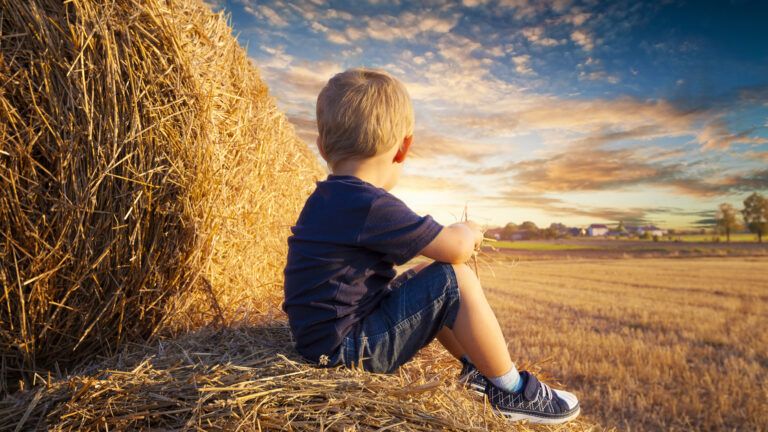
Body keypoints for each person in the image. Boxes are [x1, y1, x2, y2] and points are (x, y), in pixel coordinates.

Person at [283, 68, 579, 424]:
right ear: (404, 147)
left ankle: (476, 371)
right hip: (346, 351)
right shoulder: (368, 203)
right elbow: (454, 249)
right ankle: (512, 391)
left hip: (321, 342)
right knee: (454, 279)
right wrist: (469, 229)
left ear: (321, 146)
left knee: (425, 276)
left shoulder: (328, 197)